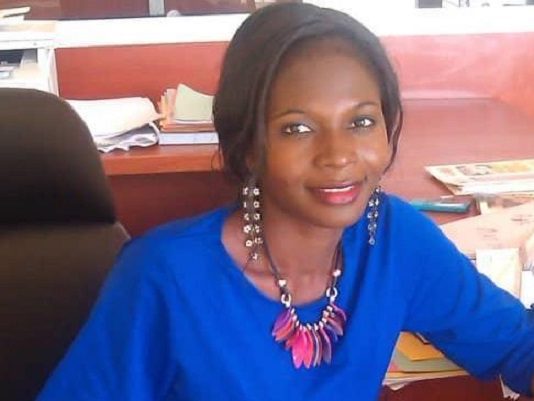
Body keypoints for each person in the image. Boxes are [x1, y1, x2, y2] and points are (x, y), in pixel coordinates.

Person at [37, 3, 534, 401]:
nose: (338, 155)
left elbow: (518, 346)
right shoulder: (165, 278)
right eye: (297, 128)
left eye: (361, 121)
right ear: (249, 145)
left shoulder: (393, 239)